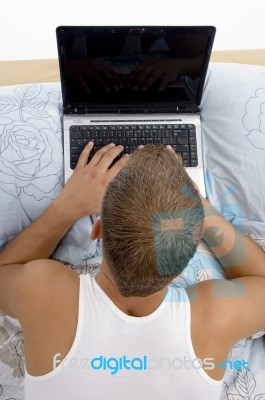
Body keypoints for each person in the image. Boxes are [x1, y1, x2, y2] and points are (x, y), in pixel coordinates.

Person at [0, 142, 265, 400]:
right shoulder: (215, 315)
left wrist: (68, 206)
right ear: (195, 248)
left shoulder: (45, 293)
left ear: (97, 231)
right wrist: (200, 211)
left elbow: (6, 269)